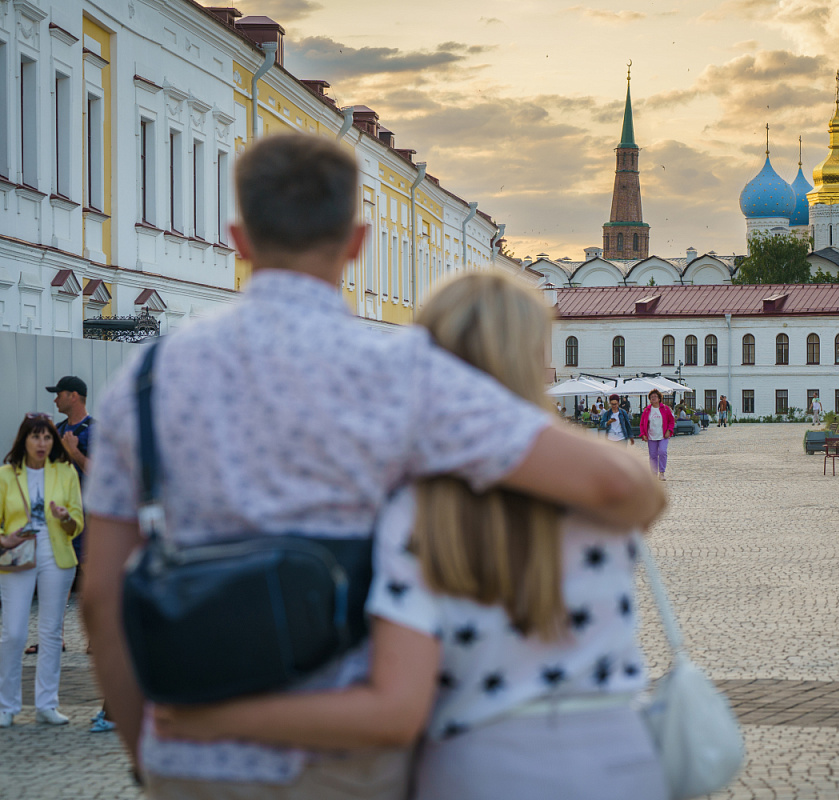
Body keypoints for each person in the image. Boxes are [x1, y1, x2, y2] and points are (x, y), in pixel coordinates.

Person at [81, 133, 666, 798]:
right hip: (344, 759)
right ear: (357, 243)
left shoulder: (145, 381)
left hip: (190, 758)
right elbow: (616, 487)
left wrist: (147, 749)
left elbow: (102, 598)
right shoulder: (401, 374)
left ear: (240, 240)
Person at [154, 272, 668, 800]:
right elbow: (637, 494)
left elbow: (394, 711)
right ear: (537, 356)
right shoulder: (605, 497)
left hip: (480, 771)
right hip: (622, 762)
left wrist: (219, 718)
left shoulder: (422, 516)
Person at [0, 413, 84, 729]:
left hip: (56, 555)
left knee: (50, 633)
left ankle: (47, 705)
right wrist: (4, 538)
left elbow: (78, 524)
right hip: (17, 556)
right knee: (14, 633)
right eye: (36, 437)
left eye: (48, 437)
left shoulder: (65, 472)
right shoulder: (6, 474)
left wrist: (64, 517)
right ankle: (6, 705)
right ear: (24, 439)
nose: (42, 443)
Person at [48, 376, 115, 733]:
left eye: (58, 393)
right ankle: (52, 636)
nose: (55, 399)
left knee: (89, 581)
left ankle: (94, 639)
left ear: (74, 395)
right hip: (61, 517)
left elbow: (103, 475)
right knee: (56, 577)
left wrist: (72, 452)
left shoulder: (96, 431)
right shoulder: (55, 429)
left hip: (89, 519)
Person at [639, 389, 675, 481]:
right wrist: (643, 434)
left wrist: (669, 430)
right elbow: (642, 423)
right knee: (653, 455)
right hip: (651, 436)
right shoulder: (647, 410)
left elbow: (671, 421)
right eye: (651, 397)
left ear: (659, 398)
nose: (653, 398)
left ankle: (662, 472)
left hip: (663, 435)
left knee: (662, 452)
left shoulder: (665, 409)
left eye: (655, 397)